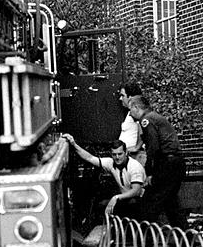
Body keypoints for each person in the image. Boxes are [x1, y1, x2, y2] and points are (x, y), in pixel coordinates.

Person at [128, 95, 186, 229]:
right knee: (171, 203)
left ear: (136, 107)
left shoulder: (146, 120)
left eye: (130, 109)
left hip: (168, 163)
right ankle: (185, 238)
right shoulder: (154, 117)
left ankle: (146, 237)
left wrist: (149, 172)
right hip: (175, 162)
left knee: (151, 201)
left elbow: (153, 148)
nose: (130, 114)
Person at [62, 134, 145, 218]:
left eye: (120, 154)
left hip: (139, 200)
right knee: (101, 205)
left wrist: (116, 197)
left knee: (131, 204)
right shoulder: (110, 163)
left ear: (126, 153)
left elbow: (136, 191)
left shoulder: (134, 167)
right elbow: (90, 158)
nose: (117, 157)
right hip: (124, 199)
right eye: (114, 154)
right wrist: (74, 144)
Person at [118, 82, 145, 163]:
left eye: (123, 95)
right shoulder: (130, 112)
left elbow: (142, 127)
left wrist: (137, 147)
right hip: (130, 156)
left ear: (130, 97)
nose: (120, 98)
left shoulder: (136, 111)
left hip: (136, 156)